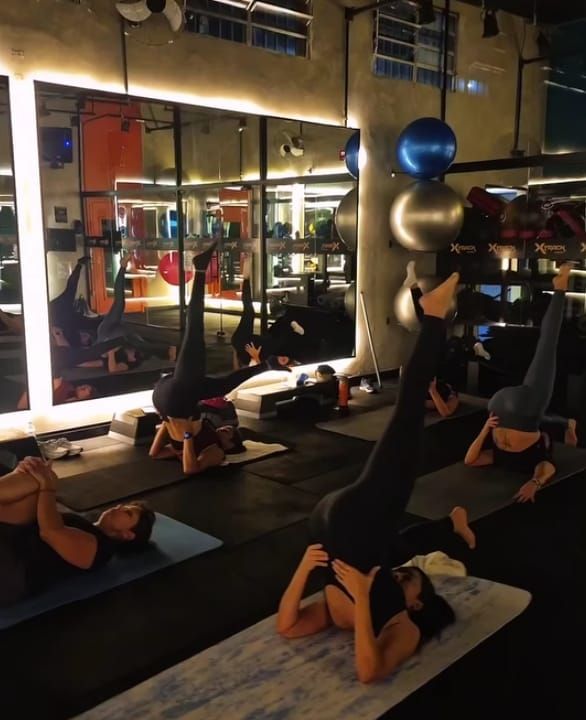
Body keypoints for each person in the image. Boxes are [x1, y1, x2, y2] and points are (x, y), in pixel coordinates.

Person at [277, 273, 474, 683]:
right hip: (353, 521)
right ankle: (430, 312)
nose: (401, 574)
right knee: (407, 420)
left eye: (407, 576)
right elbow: (374, 663)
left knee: (408, 414)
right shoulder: (405, 625)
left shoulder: (371, 606)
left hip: (329, 528)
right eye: (408, 575)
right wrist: (367, 595)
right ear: (418, 606)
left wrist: (305, 570)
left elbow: (292, 628)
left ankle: (432, 314)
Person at [464, 263, 578, 503]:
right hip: (497, 406)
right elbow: (471, 459)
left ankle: (559, 288)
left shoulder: (532, 459)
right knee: (526, 364)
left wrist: (535, 482)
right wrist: (486, 427)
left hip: (524, 408)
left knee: (547, 343)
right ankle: (488, 354)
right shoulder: (498, 456)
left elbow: (547, 469)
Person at [152, 242, 290, 420]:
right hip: (172, 395)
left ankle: (200, 270)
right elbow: (230, 382)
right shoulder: (192, 399)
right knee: (197, 335)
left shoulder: (185, 399)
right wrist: (265, 365)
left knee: (194, 330)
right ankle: (200, 270)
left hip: (175, 394)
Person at [0, 456, 155, 607]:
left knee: (43, 480)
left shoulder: (102, 549)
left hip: (13, 569)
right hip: (13, 541)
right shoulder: (86, 524)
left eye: (127, 512)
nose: (119, 507)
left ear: (128, 535)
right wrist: (29, 472)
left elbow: (50, 532)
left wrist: (47, 485)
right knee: (36, 480)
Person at [230, 254, 306, 370]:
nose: (283, 359)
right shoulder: (272, 351)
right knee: (250, 312)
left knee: (249, 311)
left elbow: (248, 370)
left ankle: (246, 278)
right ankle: (246, 278)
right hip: (248, 344)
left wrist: (253, 356)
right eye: (286, 360)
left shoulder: (261, 360)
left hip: (243, 344)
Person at [405, 262, 460, 418]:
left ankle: (414, 287)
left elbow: (443, 411)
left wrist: (431, 390)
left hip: (427, 367)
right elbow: (446, 411)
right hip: (441, 362)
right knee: (432, 323)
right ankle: (414, 287)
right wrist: (434, 390)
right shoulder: (450, 394)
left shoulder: (423, 395)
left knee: (430, 323)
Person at [149, 415, 246, 475]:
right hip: (182, 420)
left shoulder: (217, 452)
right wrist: (165, 422)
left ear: (230, 444)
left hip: (183, 425)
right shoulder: (207, 437)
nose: (223, 428)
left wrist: (187, 432)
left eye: (227, 431)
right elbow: (154, 454)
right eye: (224, 427)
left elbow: (189, 469)